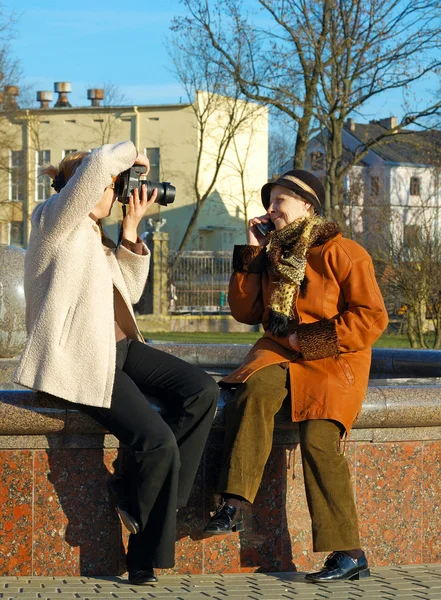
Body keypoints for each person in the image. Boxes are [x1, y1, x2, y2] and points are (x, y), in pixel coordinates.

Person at [14, 141, 219, 586]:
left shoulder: (92, 235)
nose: (120, 192)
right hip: (83, 359)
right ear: (84, 187)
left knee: (203, 390)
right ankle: (143, 553)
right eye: (114, 186)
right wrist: (133, 154)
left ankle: (143, 492)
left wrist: (130, 232)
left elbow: (129, 291)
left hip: (121, 348)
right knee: (157, 441)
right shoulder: (54, 219)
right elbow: (100, 167)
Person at [202, 170, 388, 582]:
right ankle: (233, 504)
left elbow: (371, 318)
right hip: (282, 354)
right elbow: (246, 312)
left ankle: (349, 553)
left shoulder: (345, 253)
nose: (271, 209)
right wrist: (249, 254)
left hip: (332, 360)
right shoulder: (272, 254)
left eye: (280, 201)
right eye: (270, 201)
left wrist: (308, 340)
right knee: (252, 392)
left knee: (320, 441)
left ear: (308, 206)